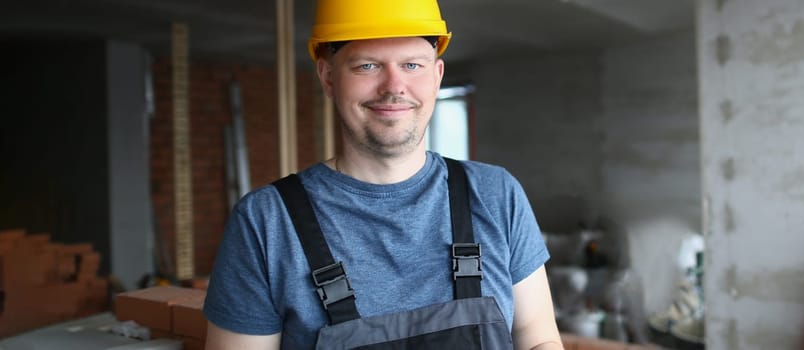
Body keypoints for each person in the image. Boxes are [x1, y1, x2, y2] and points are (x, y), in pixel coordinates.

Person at [202, 0, 563, 349]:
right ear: (327, 77)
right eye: (368, 66)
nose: (393, 86)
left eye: (412, 65)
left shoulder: (496, 194)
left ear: (437, 75)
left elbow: (538, 336)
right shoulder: (266, 222)